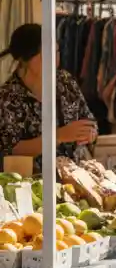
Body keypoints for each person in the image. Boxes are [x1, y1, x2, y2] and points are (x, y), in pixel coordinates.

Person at [0, 23, 96, 171]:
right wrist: (57, 137)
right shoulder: (8, 97)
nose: (55, 58)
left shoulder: (65, 81)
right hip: (35, 183)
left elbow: (88, 119)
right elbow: (12, 149)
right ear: (27, 59)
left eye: (56, 51)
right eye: (47, 53)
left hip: (75, 176)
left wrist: (90, 132)